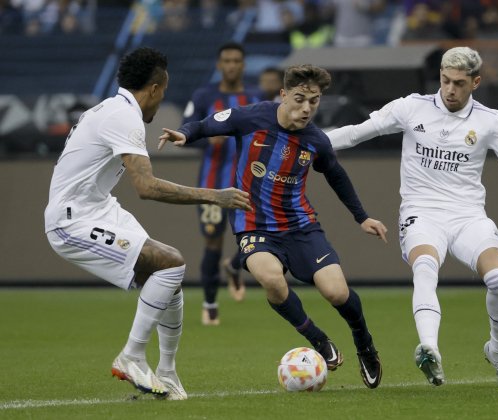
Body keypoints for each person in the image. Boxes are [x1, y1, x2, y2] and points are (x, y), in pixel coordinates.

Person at [326, 47, 498, 388]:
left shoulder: (490, 121)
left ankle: (497, 350)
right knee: (425, 267)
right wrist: (311, 141)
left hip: (467, 215)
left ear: (475, 82)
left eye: (459, 83)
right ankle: (429, 349)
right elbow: (357, 132)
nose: (450, 89)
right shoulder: (411, 107)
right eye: (445, 80)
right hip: (421, 213)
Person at [159, 64, 388, 389]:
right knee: (271, 279)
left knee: (336, 292)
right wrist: (185, 132)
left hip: (301, 226)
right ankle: (318, 339)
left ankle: (364, 343)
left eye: (314, 101)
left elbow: (336, 175)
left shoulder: (316, 141)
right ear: (283, 95)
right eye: (299, 99)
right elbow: (210, 124)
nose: (307, 108)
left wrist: (361, 216)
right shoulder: (251, 117)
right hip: (253, 224)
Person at [44, 47, 251, 400]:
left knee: (168, 279)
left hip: (100, 208)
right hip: (71, 221)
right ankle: (132, 356)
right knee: (172, 262)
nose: (162, 98)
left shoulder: (112, 109)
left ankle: (167, 373)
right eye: (164, 91)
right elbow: (146, 187)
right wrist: (216, 196)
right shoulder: (124, 117)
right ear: (154, 88)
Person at [182, 42, 260, 326]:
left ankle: (234, 265)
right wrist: (204, 138)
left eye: (236, 61)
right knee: (213, 240)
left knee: (260, 237)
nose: (231, 65)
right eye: (226, 60)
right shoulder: (204, 96)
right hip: (212, 185)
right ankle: (210, 303)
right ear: (219, 65)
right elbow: (185, 131)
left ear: (243, 64)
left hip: (249, 184)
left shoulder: (254, 96)